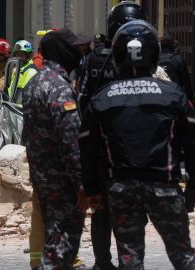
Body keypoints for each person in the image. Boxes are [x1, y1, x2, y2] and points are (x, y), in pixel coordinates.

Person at [79, 20, 195, 270]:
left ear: (118, 56)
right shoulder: (174, 95)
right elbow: (192, 142)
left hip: (122, 189)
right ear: (153, 54)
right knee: (184, 256)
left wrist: (91, 189)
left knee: (130, 258)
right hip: (165, 187)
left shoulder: (102, 99)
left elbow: (87, 147)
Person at [76, 3, 148, 269]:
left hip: (100, 145)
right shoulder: (144, 56)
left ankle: (103, 263)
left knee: (101, 209)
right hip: (133, 147)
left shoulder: (96, 57)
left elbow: (82, 98)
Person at [22, 28, 86, 269]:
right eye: (74, 47)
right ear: (62, 51)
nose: (78, 52)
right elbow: (70, 140)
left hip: (42, 178)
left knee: (53, 240)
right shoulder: (58, 87)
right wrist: (81, 182)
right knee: (61, 251)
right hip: (62, 181)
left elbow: (29, 134)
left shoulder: (35, 82)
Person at [158, 34, 194, 101]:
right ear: (172, 45)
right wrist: (190, 100)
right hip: (175, 98)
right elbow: (186, 83)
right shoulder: (177, 59)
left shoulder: (154, 60)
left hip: (159, 98)